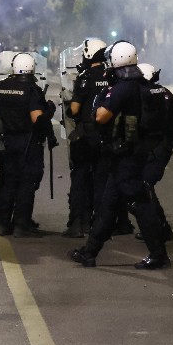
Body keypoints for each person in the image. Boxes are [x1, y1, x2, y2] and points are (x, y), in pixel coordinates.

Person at [69, 41, 170, 270]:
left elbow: (102, 117)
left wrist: (100, 102)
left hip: (127, 156)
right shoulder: (144, 84)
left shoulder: (124, 87)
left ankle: (158, 254)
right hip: (131, 153)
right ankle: (90, 252)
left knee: (141, 205)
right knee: (108, 205)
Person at [0, 52, 53, 238]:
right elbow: (36, 119)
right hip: (28, 142)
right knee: (26, 182)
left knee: (9, 181)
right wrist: (49, 111)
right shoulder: (32, 89)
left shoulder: (0, 87)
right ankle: (21, 224)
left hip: (8, 140)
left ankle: (3, 224)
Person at [62, 38, 109, 238]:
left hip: (86, 136)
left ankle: (77, 223)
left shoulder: (85, 77)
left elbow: (74, 109)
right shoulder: (112, 76)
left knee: (80, 178)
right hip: (106, 136)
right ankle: (100, 224)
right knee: (102, 181)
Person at [137, 62, 173, 242]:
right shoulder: (165, 93)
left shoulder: (143, 95)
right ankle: (160, 227)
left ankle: (160, 229)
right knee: (145, 186)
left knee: (145, 185)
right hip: (164, 145)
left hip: (153, 146)